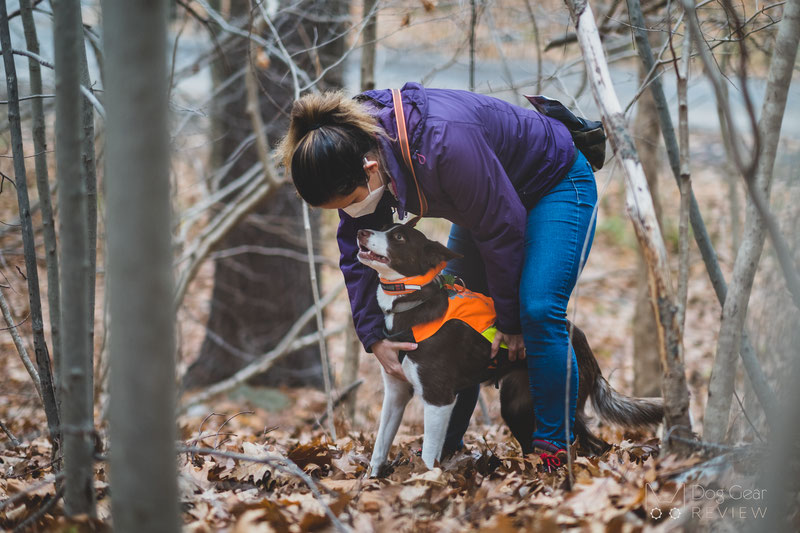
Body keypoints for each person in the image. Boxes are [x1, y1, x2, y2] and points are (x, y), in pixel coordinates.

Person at [278, 82, 598, 466]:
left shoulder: (443, 141)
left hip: (554, 182)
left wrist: (510, 321)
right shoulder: (352, 151)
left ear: (371, 169)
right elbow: (353, 254)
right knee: (449, 310)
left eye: (349, 203)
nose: (350, 213)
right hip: (485, 203)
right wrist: (373, 336)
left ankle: (553, 448)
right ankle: (444, 448)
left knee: (538, 310)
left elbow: (503, 227)